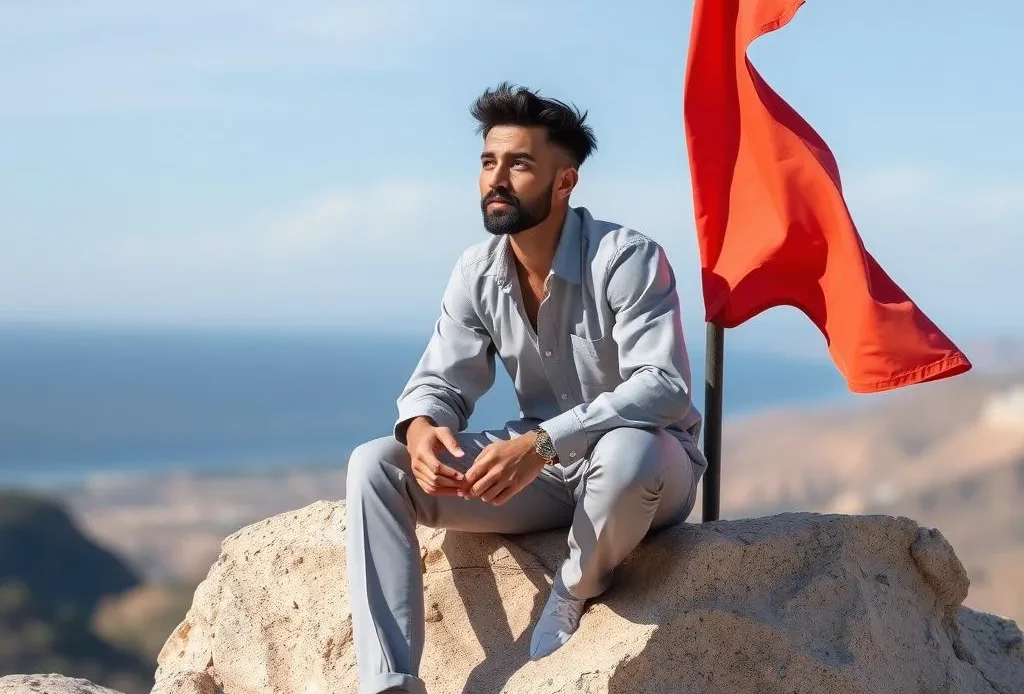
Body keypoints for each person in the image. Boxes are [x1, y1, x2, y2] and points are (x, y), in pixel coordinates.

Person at [345, 82, 707, 694]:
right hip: (542, 475)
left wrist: (541, 442)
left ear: (564, 182)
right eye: (489, 162)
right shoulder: (476, 270)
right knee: (375, 464)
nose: (497, 179)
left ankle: (575, 587)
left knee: (627, 452)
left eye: (519, 164)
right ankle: (389, 683)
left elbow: (663, 386)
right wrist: (423, 428)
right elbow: (439, 379)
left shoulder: (628, 258)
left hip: (647, 471)